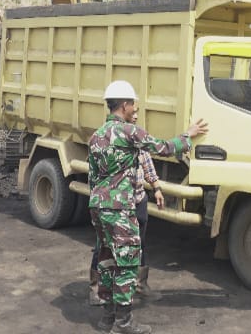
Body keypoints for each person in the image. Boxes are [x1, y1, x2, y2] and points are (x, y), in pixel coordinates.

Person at [89, 80, 208, 334]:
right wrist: (188, 135)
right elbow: (164, 148)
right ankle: (123, 324)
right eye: (133, 104)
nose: (135, 109)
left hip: (98, 207)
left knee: (107, 260)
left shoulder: (96, 136)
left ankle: (107, 318)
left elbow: (93, 177)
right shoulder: (130, 132)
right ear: (124, 105)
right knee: (127, 264)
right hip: (120, 209)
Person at [88, 150, 164, 306]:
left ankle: (140, 285)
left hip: (138, 200)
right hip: (116, 204)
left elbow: (148, 168)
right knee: (104, 245)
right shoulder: (108, 146)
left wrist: (157, 189)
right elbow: (94, 176)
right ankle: (96, 289)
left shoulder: (140, 146)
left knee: (140, 244)